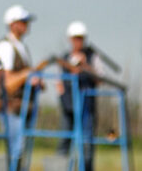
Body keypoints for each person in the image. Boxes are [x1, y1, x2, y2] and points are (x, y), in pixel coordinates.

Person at [0, 4, 41, 171]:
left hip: (22, 107)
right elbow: (7, 83)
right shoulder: (5, 47)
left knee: (20, 150)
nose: (27, 25)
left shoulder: (21, 47)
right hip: (10, 107)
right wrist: (27, 74)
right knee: (15, 151)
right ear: (13, 24)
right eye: (23, 21)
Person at [56, 21, 102, 171]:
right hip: (68, 107)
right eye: (75, 38)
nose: (78, 41)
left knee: (86, 145)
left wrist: (85, 66)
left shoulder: (92, 57)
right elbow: (58, 81)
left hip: (86, 107)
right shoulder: (64, 58)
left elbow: (100, 78)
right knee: (64, 142)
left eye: (80, 38)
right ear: (70, 39)